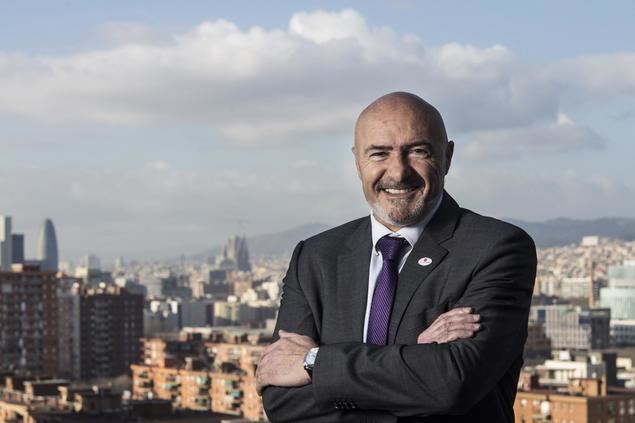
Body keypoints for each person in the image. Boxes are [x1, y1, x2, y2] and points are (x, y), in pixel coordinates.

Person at [256, 92, 537, 422]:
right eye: (379, 153)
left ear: (447, 157)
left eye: (418, 151)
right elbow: (281, 400)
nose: (398, 172)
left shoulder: (496, 248)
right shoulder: (315, 257)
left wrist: (315, 362)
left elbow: (451, 384)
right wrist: (414, 362)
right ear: (357, 162)